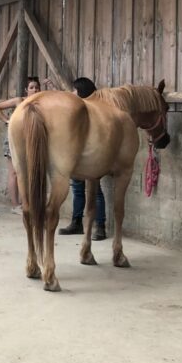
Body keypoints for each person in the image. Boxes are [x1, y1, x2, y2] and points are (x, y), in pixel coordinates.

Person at [59, 76, 107, 240]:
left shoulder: (96, 112)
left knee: (96, 191)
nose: (72, 93)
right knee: (77, 188)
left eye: (74, 90)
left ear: (81, 92)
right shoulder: (74, 110)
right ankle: (77, 222)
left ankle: (100, 226)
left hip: (91, 156)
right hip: (76, 154)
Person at [0, 76, 42, 215]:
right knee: (14, 172)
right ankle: (15, 205)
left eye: (37, 87)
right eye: (31, 87)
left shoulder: (40, 103)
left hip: (30, 140)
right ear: (26, 90)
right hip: (14, 139)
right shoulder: (19, 100)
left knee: (27, 173)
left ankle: (25, 203)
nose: (35, 90)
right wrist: (6, 120)